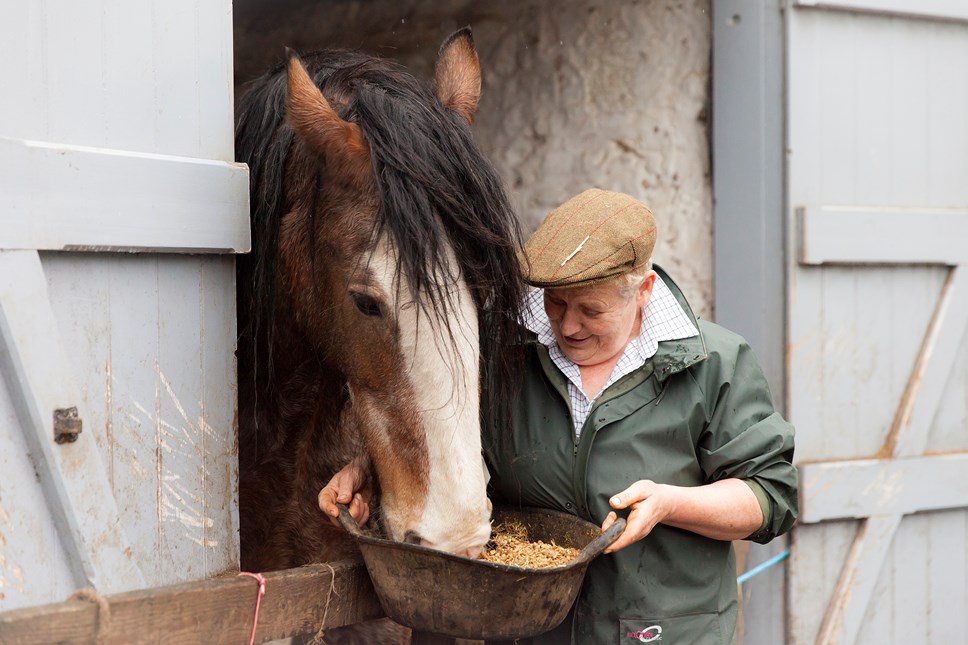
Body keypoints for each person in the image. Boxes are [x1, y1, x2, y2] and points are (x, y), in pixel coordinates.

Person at [321, 188, 798, 644]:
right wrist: (369, 471)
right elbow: (444, 430)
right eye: (555, 302)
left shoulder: (713, 362)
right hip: (528, 631)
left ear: (644, 290)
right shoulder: (501, 349)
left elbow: (768, 497)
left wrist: (669, 504)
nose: (568, 325)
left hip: (661, 633)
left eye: (591, 310)